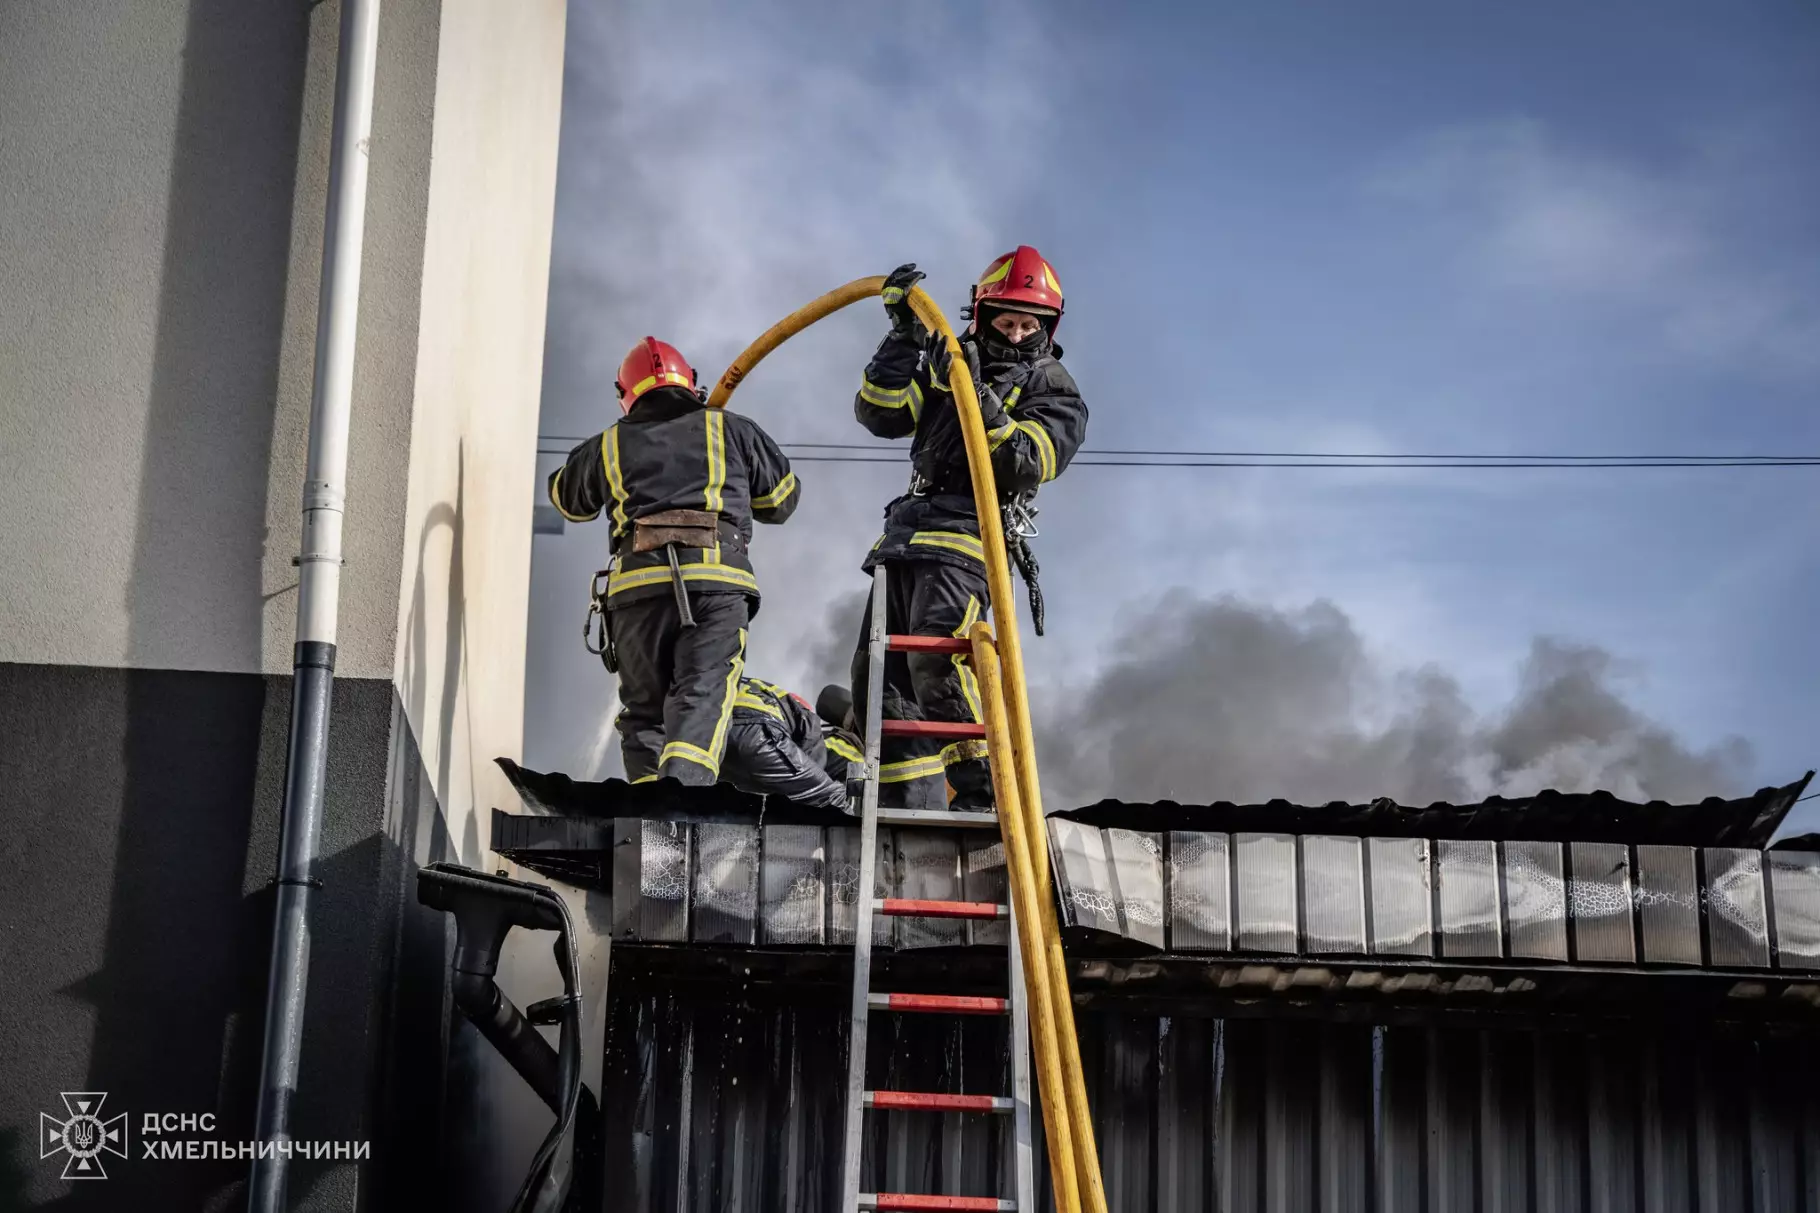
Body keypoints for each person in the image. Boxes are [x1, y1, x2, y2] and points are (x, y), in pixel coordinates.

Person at [847, 247, 1087, 809]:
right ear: (982, 315)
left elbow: (1027, 460)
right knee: (878, 682)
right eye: (1007, 320)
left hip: (968, 538)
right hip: (906, 536)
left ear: (1047, 328)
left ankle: (985, 796)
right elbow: (878, 413)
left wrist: (977, 398)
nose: (1019, 331)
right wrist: (905, 337)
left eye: (1031, 323)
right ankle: (904, 803)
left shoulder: (1055, 388)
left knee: (939, 658)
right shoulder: (944, 356)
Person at [549, 336, 800, 784]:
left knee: (646, 713)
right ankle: (680, 804)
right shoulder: (733, 430)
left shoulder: (609, 444)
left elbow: (568, 499)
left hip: (637, 594)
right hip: (715, 587)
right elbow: (782, 499)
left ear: (625, 394)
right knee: (701, 697)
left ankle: (648, 808)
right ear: (692, 384)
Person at [719, 677, 865, 809]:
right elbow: (809, 767)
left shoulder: (824, 731)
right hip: (760, 734)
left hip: (718, 722)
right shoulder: (810, 726)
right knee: (836, 797)